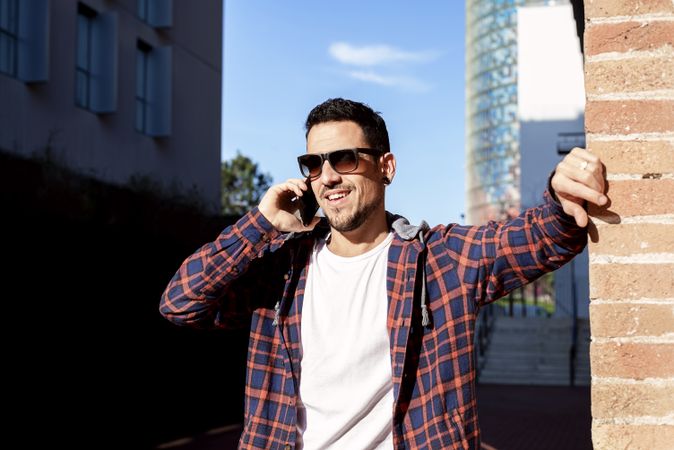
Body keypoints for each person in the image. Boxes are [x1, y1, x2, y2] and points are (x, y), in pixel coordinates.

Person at [160, 98, 607, 449]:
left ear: (386, 167)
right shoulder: (279, 270)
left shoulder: (439, 259)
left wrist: (560, 195)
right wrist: (258, 224)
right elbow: (180, 302)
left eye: (345, 159)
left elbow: (541, 237)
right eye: (314, 164)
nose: (328, 176)